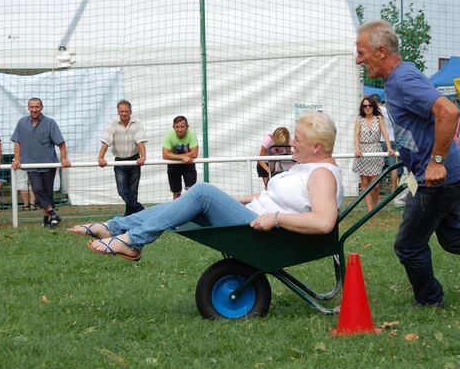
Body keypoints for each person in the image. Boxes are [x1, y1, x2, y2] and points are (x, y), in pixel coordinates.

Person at [355, 20, 460, 308]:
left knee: (408, 246)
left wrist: (436, 162)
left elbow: (449, 110)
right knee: (455, 239)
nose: (358, 59)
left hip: (439, 178)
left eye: (361, 52)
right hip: (445, 174)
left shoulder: (403, 79)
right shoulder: (396, 80)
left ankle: (430, 301)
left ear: (380, 51)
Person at [68, 112, 343, 262]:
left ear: (316, 147)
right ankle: (116, 227)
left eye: (297, 139)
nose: (291, 143)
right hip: (256, 222)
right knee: (190, 198)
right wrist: (231, 198)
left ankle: (132, 241)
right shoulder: (308, 167)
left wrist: (275, 218)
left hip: (268, 236)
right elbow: (273, 197)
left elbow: (323, 222)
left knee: (200, 191)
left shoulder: (321, 174)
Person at [11, 98, 70, 227]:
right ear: (28, 108)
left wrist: (64, 158)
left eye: (37, 107)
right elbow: (17, 142)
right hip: (30, 164)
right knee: (37, 189)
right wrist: (16, 158)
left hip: (48, 164)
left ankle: (48, 220)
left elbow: (61, 143)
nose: (34, 109)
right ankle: (53, 214)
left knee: (48, 192)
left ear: (41, 108)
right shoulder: (21, 123)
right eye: (31, 107)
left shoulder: (50, 123)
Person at [98, 99, 147, 216]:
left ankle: (129, 216)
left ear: (130, 111)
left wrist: (143, 157)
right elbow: (106, 141)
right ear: (118, 112)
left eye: (126, 111)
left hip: (134, 161)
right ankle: (141, 209)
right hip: (119, 162)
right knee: (122, 191)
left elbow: (140, 141)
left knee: (133, 192)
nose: (124, 114)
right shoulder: (112, 123)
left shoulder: (137, 122)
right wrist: (100, 157)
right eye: (122, 111)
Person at [352, 97, 394, 211]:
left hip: (376, 150)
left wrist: (389, 147)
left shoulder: (379, 118)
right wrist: (357, 149)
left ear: (373, 106)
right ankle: (370, 209)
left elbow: (385, 133)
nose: (367, 108)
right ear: (362, 108)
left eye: (369, 105)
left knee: (375, 185)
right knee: (365, 182)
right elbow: (356, 136)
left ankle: (375, 207)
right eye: (365, 106)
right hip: (362, 151)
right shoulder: (359, 119)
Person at [162, 116, 199, 199]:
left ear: (187, 127)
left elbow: (195, 153)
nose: (180, 129)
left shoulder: (192, 133)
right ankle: (177, 211)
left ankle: (192, 211)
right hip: (173, 165)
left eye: (182, 127)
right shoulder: (169, 134)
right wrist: (182, 157)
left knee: (191, 191)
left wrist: (176, 156)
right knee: (176, 192)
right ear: (173, 127)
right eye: (177, 127)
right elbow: (165, 155)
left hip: (188, 164)